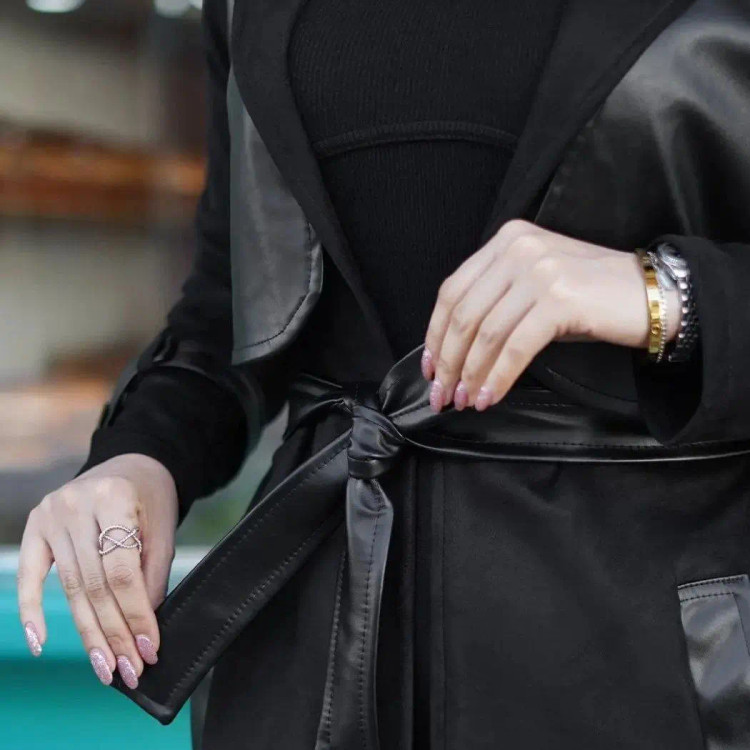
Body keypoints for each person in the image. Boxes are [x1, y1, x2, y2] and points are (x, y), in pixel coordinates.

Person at [16, 0, 750, 747]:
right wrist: (143, 454)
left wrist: (671, 294)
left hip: (647, 648)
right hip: (314, 652)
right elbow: (231, 303)